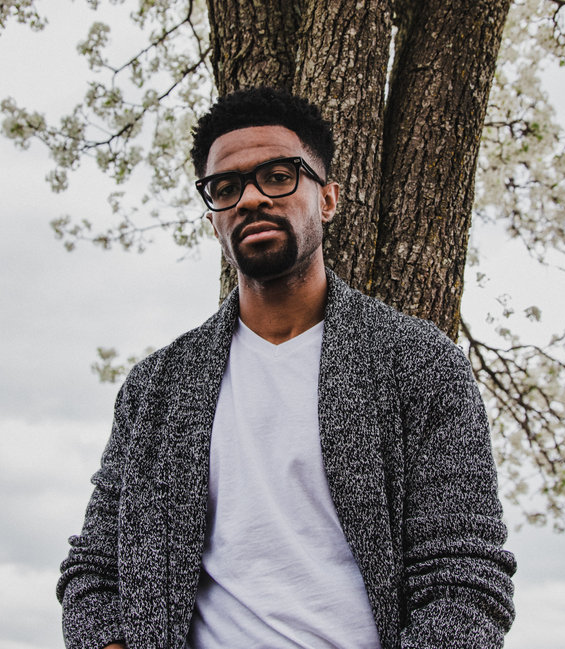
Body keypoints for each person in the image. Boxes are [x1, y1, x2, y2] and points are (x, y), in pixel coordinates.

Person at [57, 86, 516, 649]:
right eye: (226, 188)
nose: (250, 198)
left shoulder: (418, 363)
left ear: (327, 199)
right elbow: (94, 570)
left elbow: (466, 578)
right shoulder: (158, 387)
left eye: (277, 175)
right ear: (214, 220)